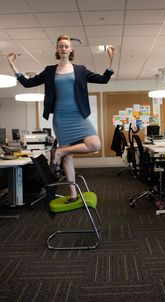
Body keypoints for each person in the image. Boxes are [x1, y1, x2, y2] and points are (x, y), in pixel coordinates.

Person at [7, 35, 115, 202]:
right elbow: (28, 83)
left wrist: (110, 62)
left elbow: (103, 80)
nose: (63, 48)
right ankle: (72, 194)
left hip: (79, 116)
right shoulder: (50, 71)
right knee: (68, 159)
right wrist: (13, 65)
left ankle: (61, 150)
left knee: (95, 144)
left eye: (66, 46)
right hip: (61, 118)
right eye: (60, 46)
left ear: (71, 49)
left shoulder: (80, 70)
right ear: (57, 50)